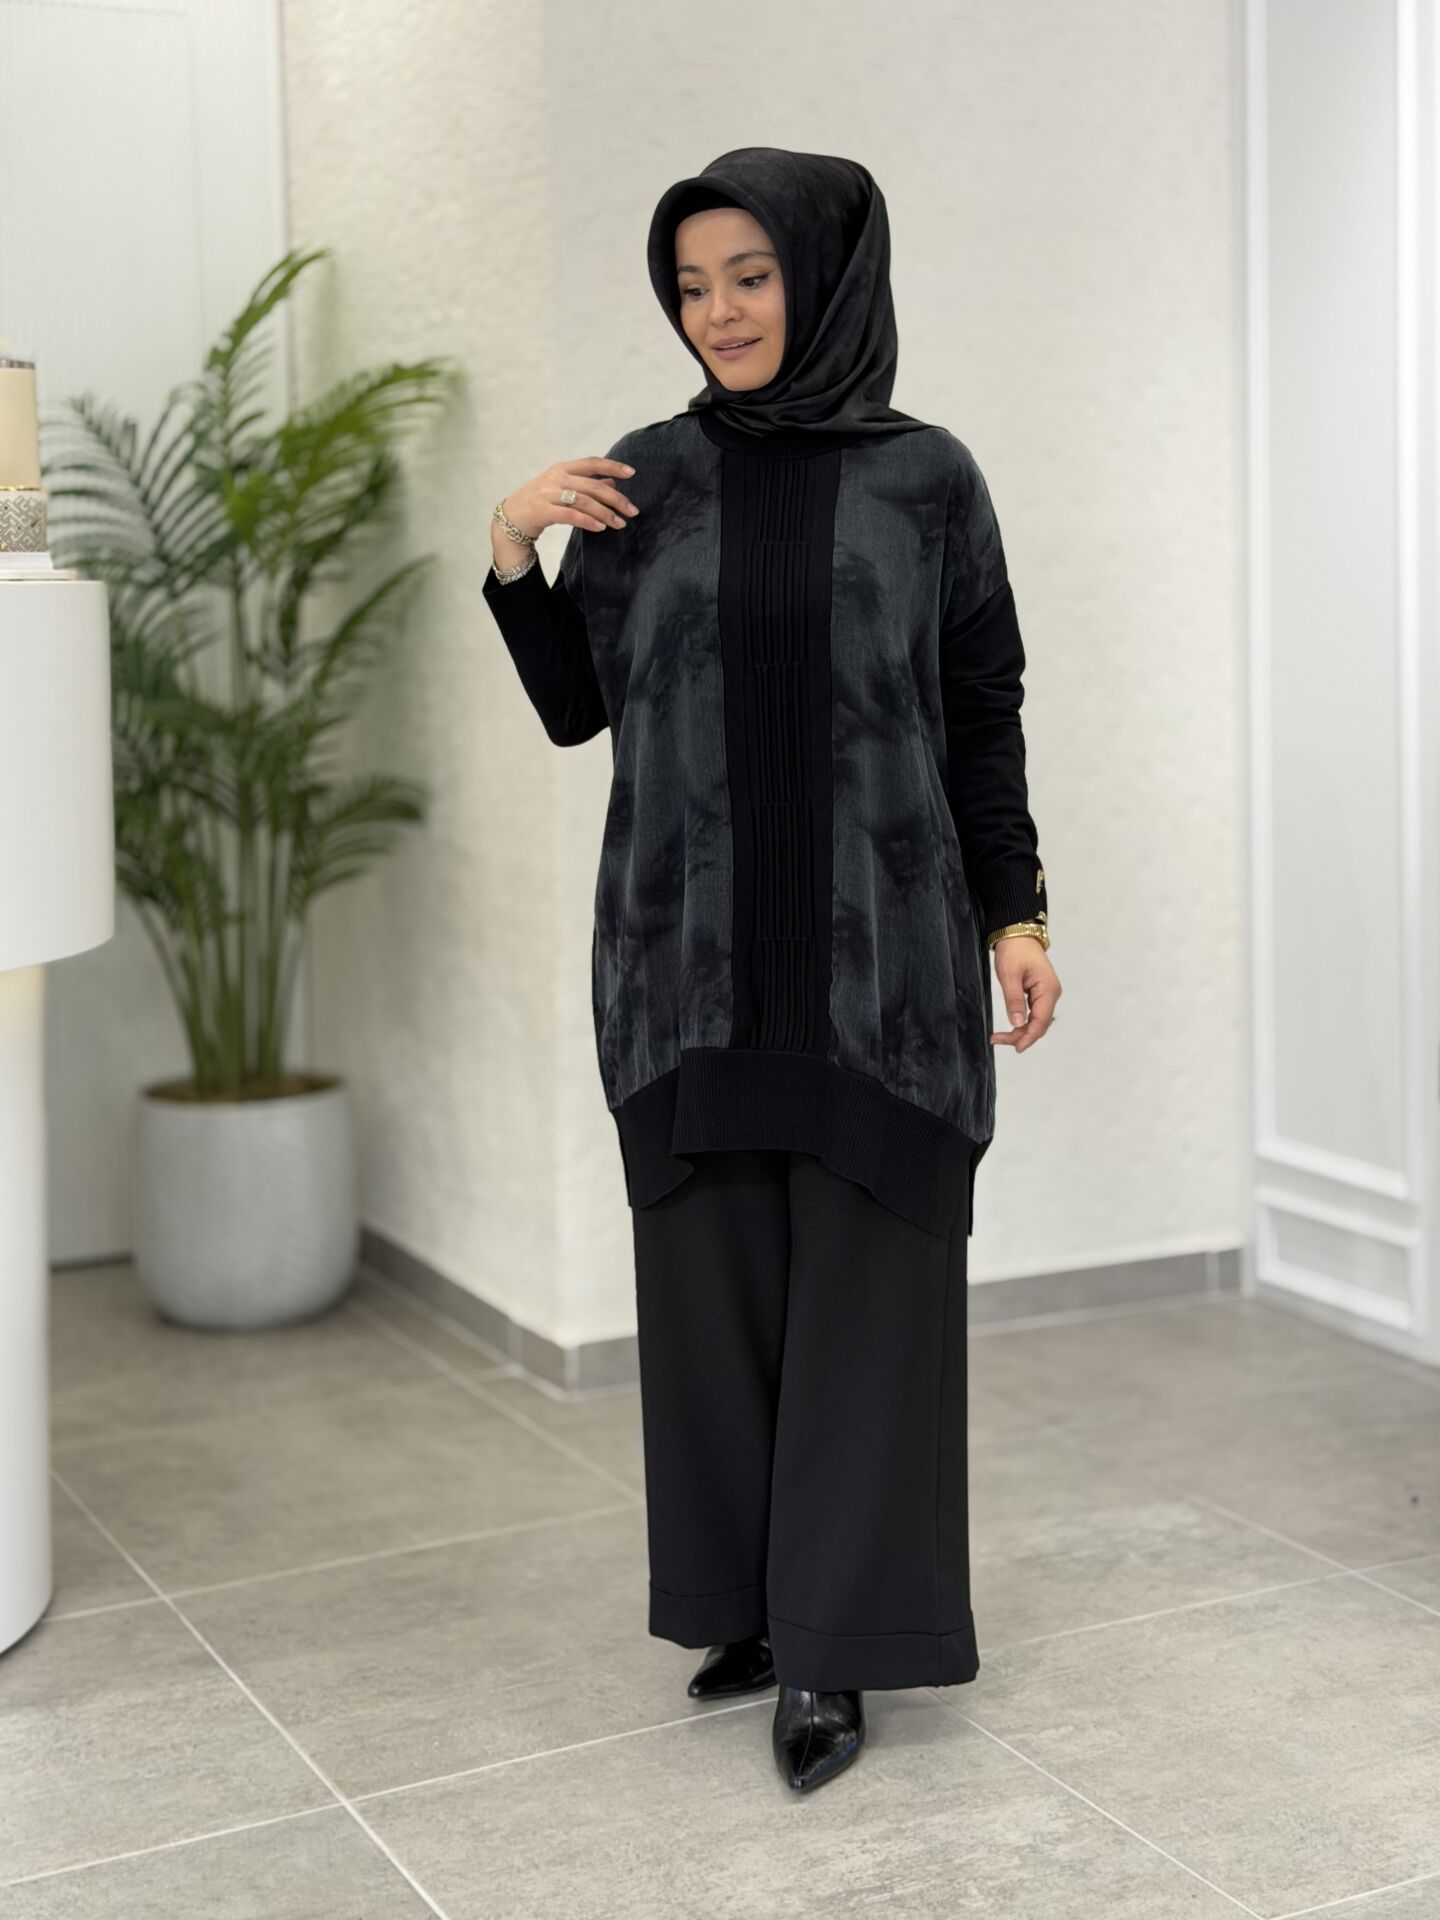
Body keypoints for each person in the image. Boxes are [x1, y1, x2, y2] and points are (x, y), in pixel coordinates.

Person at [482, 146, 1062, 1795]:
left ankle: (834, 1647)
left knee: (868, 1313)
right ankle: (747, 1608)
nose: (719, 313)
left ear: (827, 277)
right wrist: (513, 546)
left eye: (751, 276)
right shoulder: (651, 476)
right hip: (688, 962)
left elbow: (980, 711)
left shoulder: (928, 479)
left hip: (885, 978)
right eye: (691, 286)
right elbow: (579, 707)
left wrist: (1017, 914)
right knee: (713, 1303)